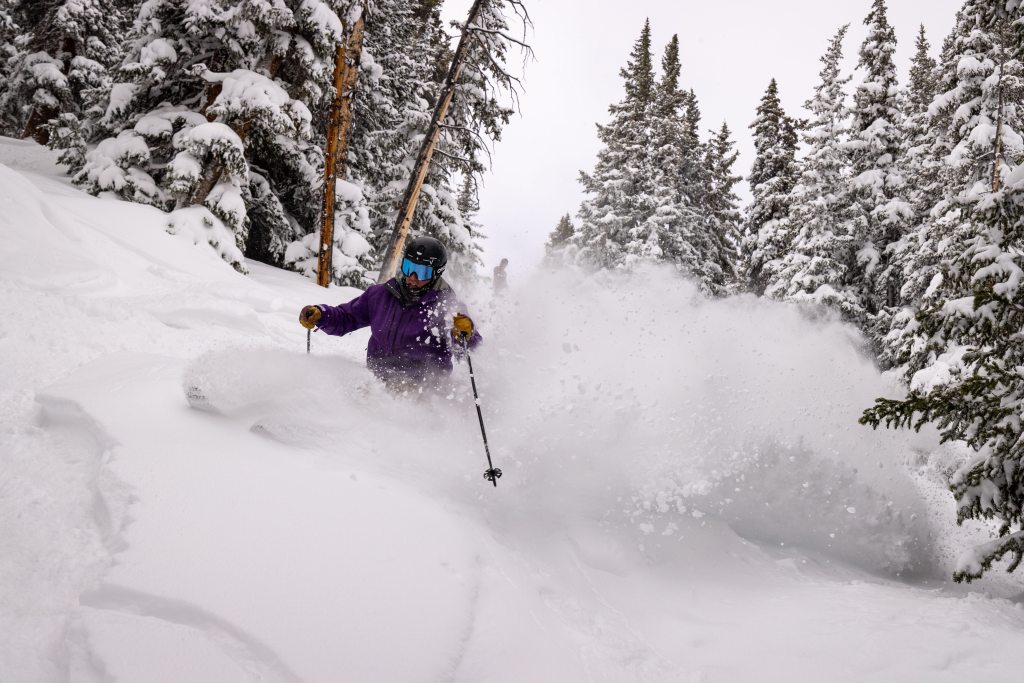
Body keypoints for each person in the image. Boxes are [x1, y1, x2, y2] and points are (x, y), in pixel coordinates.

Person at [298, 236, 481, 391]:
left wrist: (466, 334)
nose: (413, 277)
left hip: (425, 388)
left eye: (422, 272)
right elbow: (347, 317)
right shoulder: (380, 294)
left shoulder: (448, 305)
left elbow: (470, 348)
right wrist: (321, 315)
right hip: (378, 379)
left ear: (436, 274)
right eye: (409, 267)